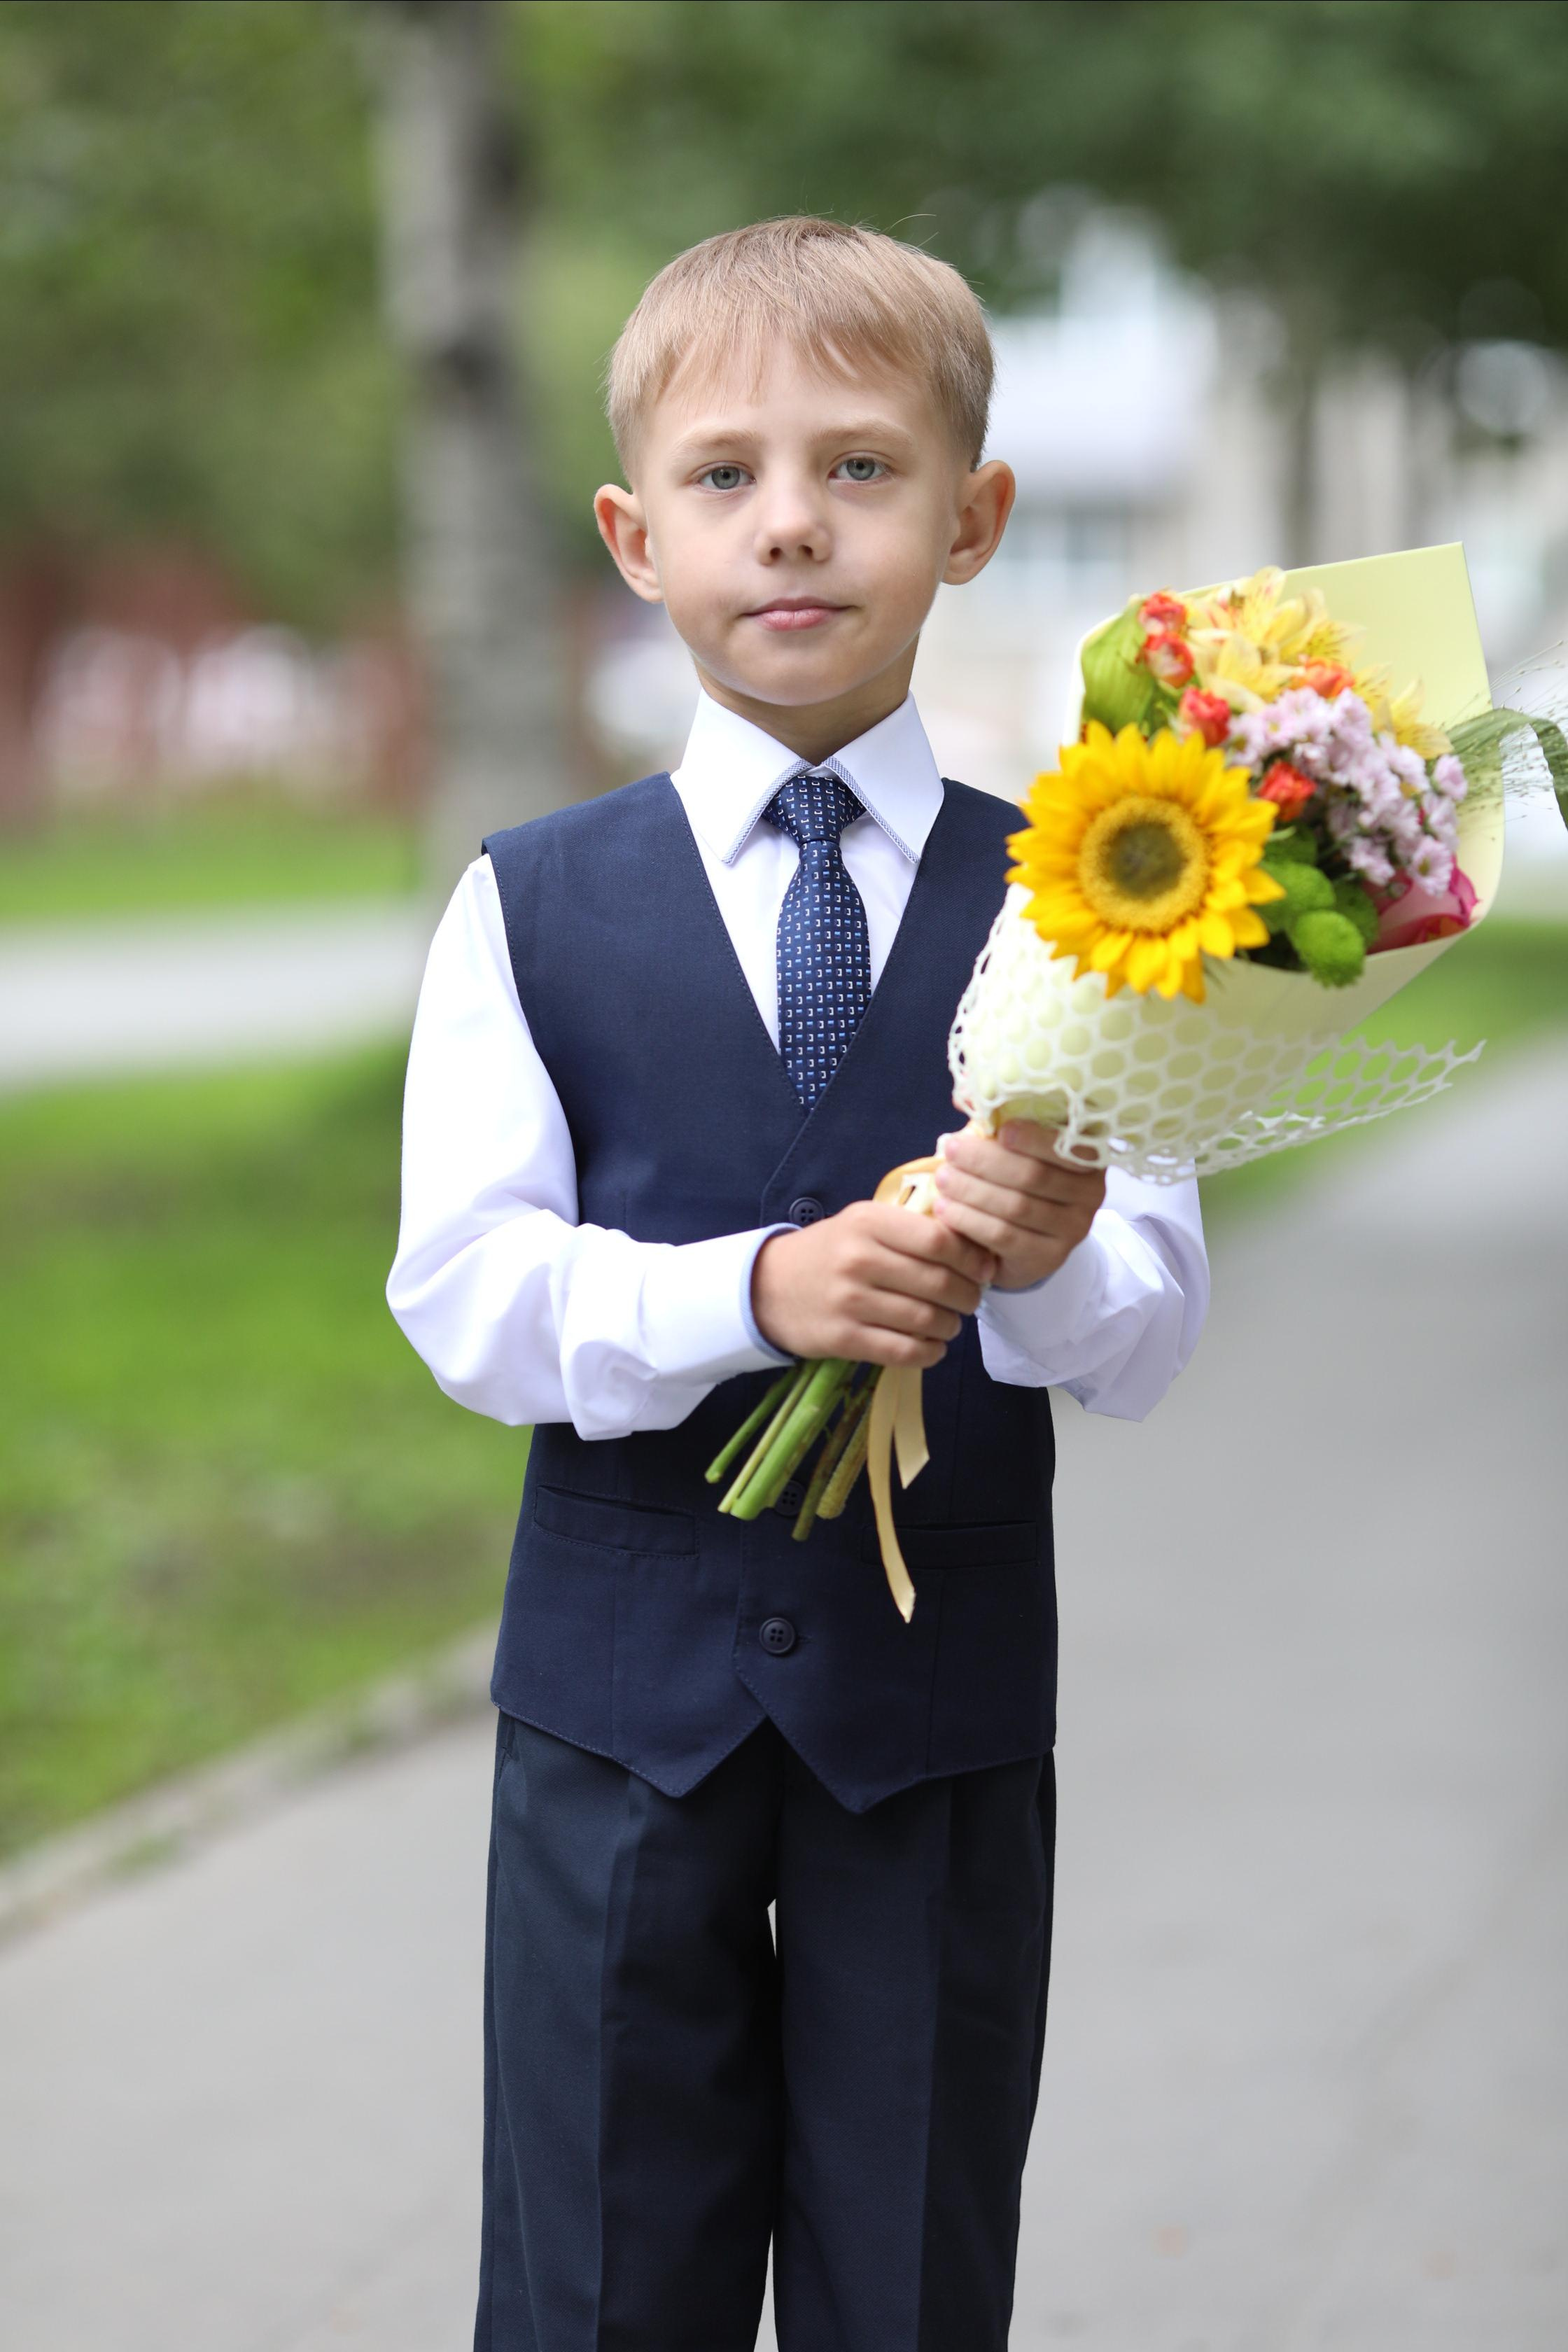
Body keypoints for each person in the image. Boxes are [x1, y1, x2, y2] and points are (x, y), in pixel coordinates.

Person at [387, 215, 1207, 2352]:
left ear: (973, 520)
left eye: (861, 468)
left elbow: (1145, 1332)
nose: (792, 524)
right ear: (634, 538)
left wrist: (1045, 1267)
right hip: (617, 1731)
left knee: (910, 2279)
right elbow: (469, 1294)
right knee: (594, 2284)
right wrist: (756, 1294)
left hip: (932, 1734)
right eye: (726, 475)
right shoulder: (528, 905)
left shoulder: (1096, 900)